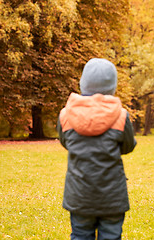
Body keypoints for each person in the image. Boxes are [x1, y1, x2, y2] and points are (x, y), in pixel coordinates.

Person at [57, 58, 137, 240]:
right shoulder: (121, 116)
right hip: (112, 195)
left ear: (83, 83)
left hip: (79, 194)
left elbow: (65, 143)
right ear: (112, 86)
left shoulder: (65, 115)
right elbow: (127, 146)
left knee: (80, 235)